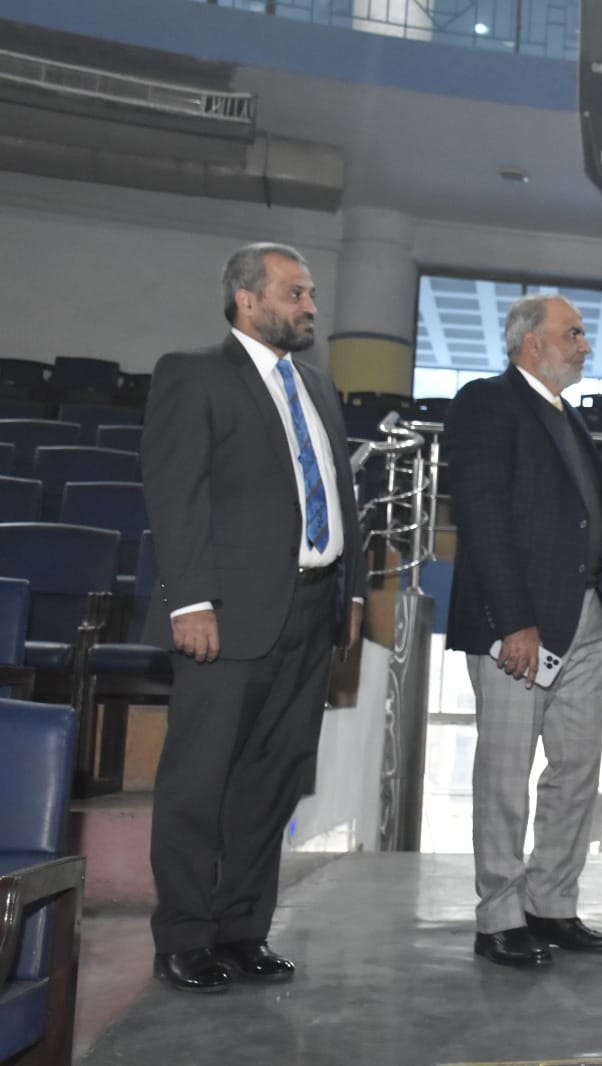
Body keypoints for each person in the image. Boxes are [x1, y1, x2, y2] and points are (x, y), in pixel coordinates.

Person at [143, 242, 366, 993]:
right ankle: (182, 935)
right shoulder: (193, 373)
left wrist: (355, 595)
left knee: (270, 783)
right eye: (295, 293)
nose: (309, 305)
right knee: (198, 782)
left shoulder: (319, 387)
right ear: (247, 299)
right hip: (227, 615)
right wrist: (190, 599)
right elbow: (176, 494)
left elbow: (340, 498)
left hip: (313, 613)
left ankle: (242, 929)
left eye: (308, 294)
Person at [443, 293, 602, 968]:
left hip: (587, 618)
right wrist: (514, 622)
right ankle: (499, 915)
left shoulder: (567, 416)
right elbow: (483, 516)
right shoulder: (487, 401)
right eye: (575, 333)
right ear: (532, 342)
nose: (586, 345)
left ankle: (552, 904)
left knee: (577, 769)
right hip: (522, 623)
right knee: (506, 772)